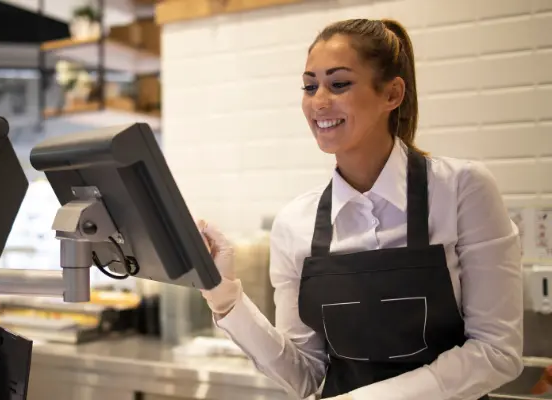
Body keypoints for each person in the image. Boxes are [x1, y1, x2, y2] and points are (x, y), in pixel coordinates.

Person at [197, 18, 523, 400]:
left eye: (339, 84)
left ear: (392, 94)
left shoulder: (462, 190)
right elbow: (305, 374)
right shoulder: (295, 225)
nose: (319, 101)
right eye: (310, 86)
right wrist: (225, 297)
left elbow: (496, 351)